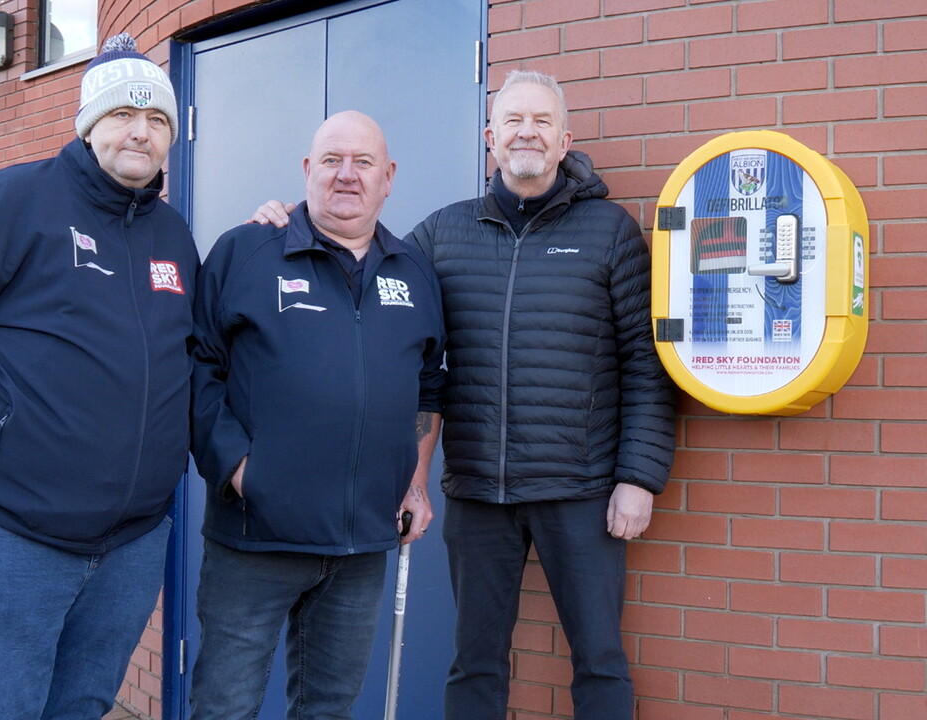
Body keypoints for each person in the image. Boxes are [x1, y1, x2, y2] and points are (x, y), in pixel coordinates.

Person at [252, 71, 676, 720]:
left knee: (600, 660)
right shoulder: (443, 236)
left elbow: (645, 364)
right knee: (474, 663)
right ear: (491, 138)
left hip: (582, 491)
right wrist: (286, 225)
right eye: (512, 121)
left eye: (540, 121)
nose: (526, 132)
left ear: (565, 140)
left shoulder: (610, 232)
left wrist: (639, 477)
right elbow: (359, 267)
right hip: (479, 495)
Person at [0, 33, 198, 720]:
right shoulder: (12, 202)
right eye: (123, 114)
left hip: (131, 544)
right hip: (16, 536)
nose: (140, 131)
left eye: (157, 119)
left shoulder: (173, 236)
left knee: (82, 706)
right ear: (88, 123)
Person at [188, 110, 447, 720]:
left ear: (389, 177)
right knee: (225, 705)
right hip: (255, 539)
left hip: (362, 545)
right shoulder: (247, 251)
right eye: (332, 160)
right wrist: (240, 470)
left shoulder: (413, 273)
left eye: (363, 162)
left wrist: (414, 484)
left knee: (328, 708)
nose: (347, 175)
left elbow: (428, 387)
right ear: (308, 171)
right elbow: (198, 368)